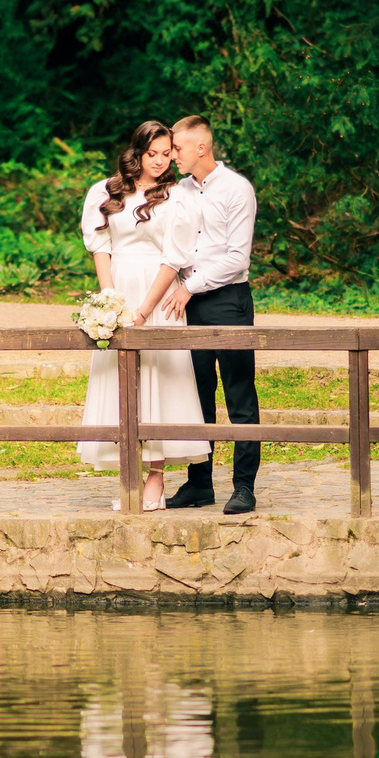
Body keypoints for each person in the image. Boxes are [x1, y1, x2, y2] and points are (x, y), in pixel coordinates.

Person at [78, 121, 211, 509]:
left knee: (159, 376)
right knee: (119, 379)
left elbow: (175, 257)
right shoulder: (105, 191)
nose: (159, 160)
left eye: (166, 152)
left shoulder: (177, 197)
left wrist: (146, 308)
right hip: (119, 286)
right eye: (151, 153)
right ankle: (128, 470)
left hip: (158, 291)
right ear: (136, 153)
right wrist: (109, 298)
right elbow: (100, 245)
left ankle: (156, 474)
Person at [156, 115, 260, 513]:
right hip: (186, 303)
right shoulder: (177, 191)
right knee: (196, 394)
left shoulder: (237, 189)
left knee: (239, 394)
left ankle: (244, 486)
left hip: (227, 300)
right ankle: (199, 485)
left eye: (177, 148)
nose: (172, 156)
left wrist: (189, 287)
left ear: (201, 147)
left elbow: (237, 258)